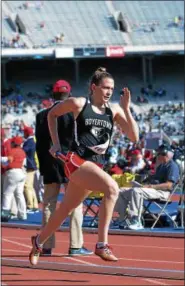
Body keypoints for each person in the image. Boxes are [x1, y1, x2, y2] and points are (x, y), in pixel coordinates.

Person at [29, 67, 139, 265]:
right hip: (76, 162)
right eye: (105, 88)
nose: (108, 92)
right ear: (93, 87)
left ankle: (38, 242)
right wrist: (55, 144)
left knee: (64, 211)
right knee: (112, 189)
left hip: (95, 166)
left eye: (111, 89)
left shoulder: (113, 111)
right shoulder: (79, 103)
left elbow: (134, 136)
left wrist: (127, 110)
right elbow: (51, 115)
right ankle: (101, 244)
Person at [35, 79, 92, 256]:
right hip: (71, 161)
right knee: (75, 202)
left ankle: (45, 244)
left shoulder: (41, 115)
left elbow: (40, 144)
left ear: (53, 94)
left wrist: (43, 165)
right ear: (70, 94)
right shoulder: (75, 114)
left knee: (49, 203)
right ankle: (75, 245)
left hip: (50, 162)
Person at [115, 144, 180, 230]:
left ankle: (135, 220)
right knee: (121, 191)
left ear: (164, 154)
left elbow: (169, 185)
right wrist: (141, 182)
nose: (156, 156)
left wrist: (150, 186)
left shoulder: (172, 166)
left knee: (136, 191)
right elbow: (152, 179)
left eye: (158, 154)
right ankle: (122, 219)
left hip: (164, 193)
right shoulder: (161, 166)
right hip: (154, 190)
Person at [2, 136, 27, 220]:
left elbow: (9, 160)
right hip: (21, 173)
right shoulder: (22, 151)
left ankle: (4, 214)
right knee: (19, 194)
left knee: (7, 194)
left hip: (13, 173)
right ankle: (23, 214)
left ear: (14, 143)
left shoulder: (13, 151)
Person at [23, 126, 39, 212]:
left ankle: (30, 206)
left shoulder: (29, 142)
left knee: (27, 186)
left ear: (26, 133)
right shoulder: (32, 141)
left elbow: (23, 151)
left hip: (29, 166)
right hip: (32, 165)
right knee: (30, 186)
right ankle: (35, 205)